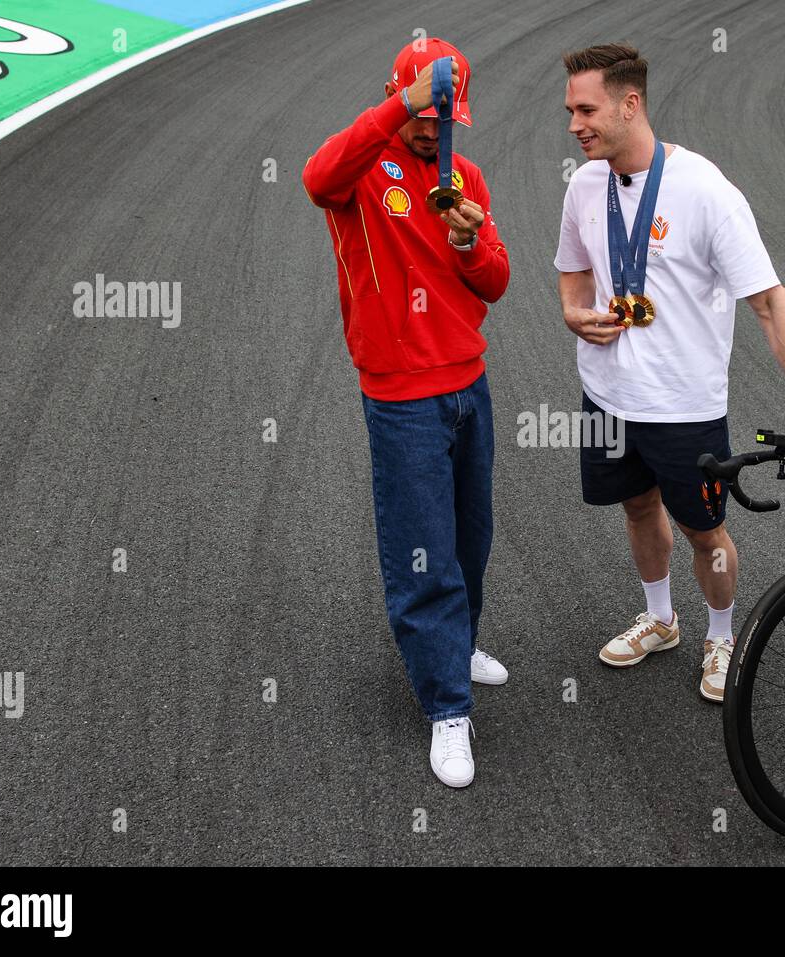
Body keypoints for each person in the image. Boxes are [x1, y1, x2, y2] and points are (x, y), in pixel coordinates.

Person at [554, 43, 785, 704]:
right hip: (607, 395)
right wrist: (575, 312)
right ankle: (661, 618)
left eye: (587, 108)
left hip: (684, 407)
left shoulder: (705, 192)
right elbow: (572, 269)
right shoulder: (583, 185)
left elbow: (771, 302)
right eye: (570, 110)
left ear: (630, 103)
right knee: (636, 507)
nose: (575, 123)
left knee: (704, 531)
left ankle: (721, 635)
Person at [302, 38, 510, 788]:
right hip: (399, 395)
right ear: (402, 98)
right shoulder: (363, 171)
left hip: (469, 385)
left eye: (442, 117)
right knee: (422, 550)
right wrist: (402, 103)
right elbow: (316, 175)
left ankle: (457, 647)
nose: (431, 130)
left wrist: (472, 240)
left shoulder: (465, 176)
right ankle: (446, 706)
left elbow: (496, 282)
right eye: (423, 115)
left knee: (470, 538)